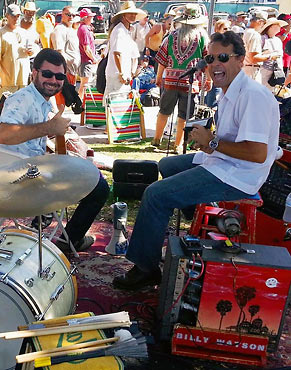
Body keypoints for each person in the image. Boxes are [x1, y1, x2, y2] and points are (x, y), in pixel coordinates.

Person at [113, 31, 280, 290]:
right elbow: (228, 142)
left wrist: (211, 142)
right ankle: (196, 216)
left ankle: (146, 270)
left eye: (222, 57)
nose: (214, 64)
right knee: (166, 165)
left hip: (239, 175)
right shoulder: (229, 91)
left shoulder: (253, 95)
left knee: (156, 195)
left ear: (240, 59)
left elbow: (257, 154)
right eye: (209, 58)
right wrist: (207, 141)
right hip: (223, 163)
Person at [0, 48, 109, 252]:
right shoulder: (22, 99)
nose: (53, 80)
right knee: (99, 187)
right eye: (47, 74)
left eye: (59, 76)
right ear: (34, 73)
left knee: (82, 165)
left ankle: (46, 220)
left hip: (29, 171)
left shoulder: (41, 101)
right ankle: (68, 242)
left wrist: (55, 132)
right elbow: (4, 134)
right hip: (24, 180)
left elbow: (33, 136)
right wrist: (50, 128)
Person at [152, 5, 211, 153]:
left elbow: (162, 60)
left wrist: (159, 77)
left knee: (164, 111)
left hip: (171, 81)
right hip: (191, 83)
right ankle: (178, 144)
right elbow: (208, 60)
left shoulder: (171, 36)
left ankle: (156, 140)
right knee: (184, 115)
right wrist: (208, 79)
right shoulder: (202, 37)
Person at [104, 1, 146, 97]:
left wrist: (129, 73)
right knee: (115, 104)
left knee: (119, 104)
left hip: (122, 74)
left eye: (134, 13)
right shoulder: (119, 30)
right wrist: (121, 73)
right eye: (130, 13)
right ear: (123, 15)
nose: (133, 15)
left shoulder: (126, 30)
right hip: (116, 74)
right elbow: (117, 53)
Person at [0, 4, 32, 97]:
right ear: (7, 16)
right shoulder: (1, 33)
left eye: (18, 16)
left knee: (23, 108)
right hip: (7, 80)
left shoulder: (24, 32)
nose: (16, 18)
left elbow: (31, 51)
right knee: (7, 108)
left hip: (23, 79)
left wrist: (31, 51)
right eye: (14, 16)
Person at [51, 6, 80, 106]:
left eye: (73, 15)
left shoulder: (71, 30)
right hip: (64, 72)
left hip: (72, 71)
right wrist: (63, 71)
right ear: (62, 15)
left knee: (67, 101)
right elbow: (59, 52)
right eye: (68, 15)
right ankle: (57, 121)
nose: (71, 17)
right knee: (61, 103)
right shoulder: (59, 29)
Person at [77, 8, 99, 103]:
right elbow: (87, 48)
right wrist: (93, 58)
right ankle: (79, 102)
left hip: (85, 60)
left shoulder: (84, 28)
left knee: (84, 83)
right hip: (86, 61)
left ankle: (80, 102)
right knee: (84, 84)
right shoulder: (84, 30)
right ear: (85, 18)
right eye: (90, 17)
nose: (92, 18)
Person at [259, 18, 287, 89]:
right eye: (277, 26)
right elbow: (258, 54)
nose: (279, 28)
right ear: (270, 27)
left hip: (276, 71)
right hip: (264, 70)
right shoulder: (262, 38)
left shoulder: (277, 40)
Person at [243, 10, 268, 84]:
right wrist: (270, 56)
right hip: (252, 70)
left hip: (244, 68)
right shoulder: (255, 34)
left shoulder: (246, 32)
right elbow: (253, 58)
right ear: (260, 22)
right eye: (264, 23)